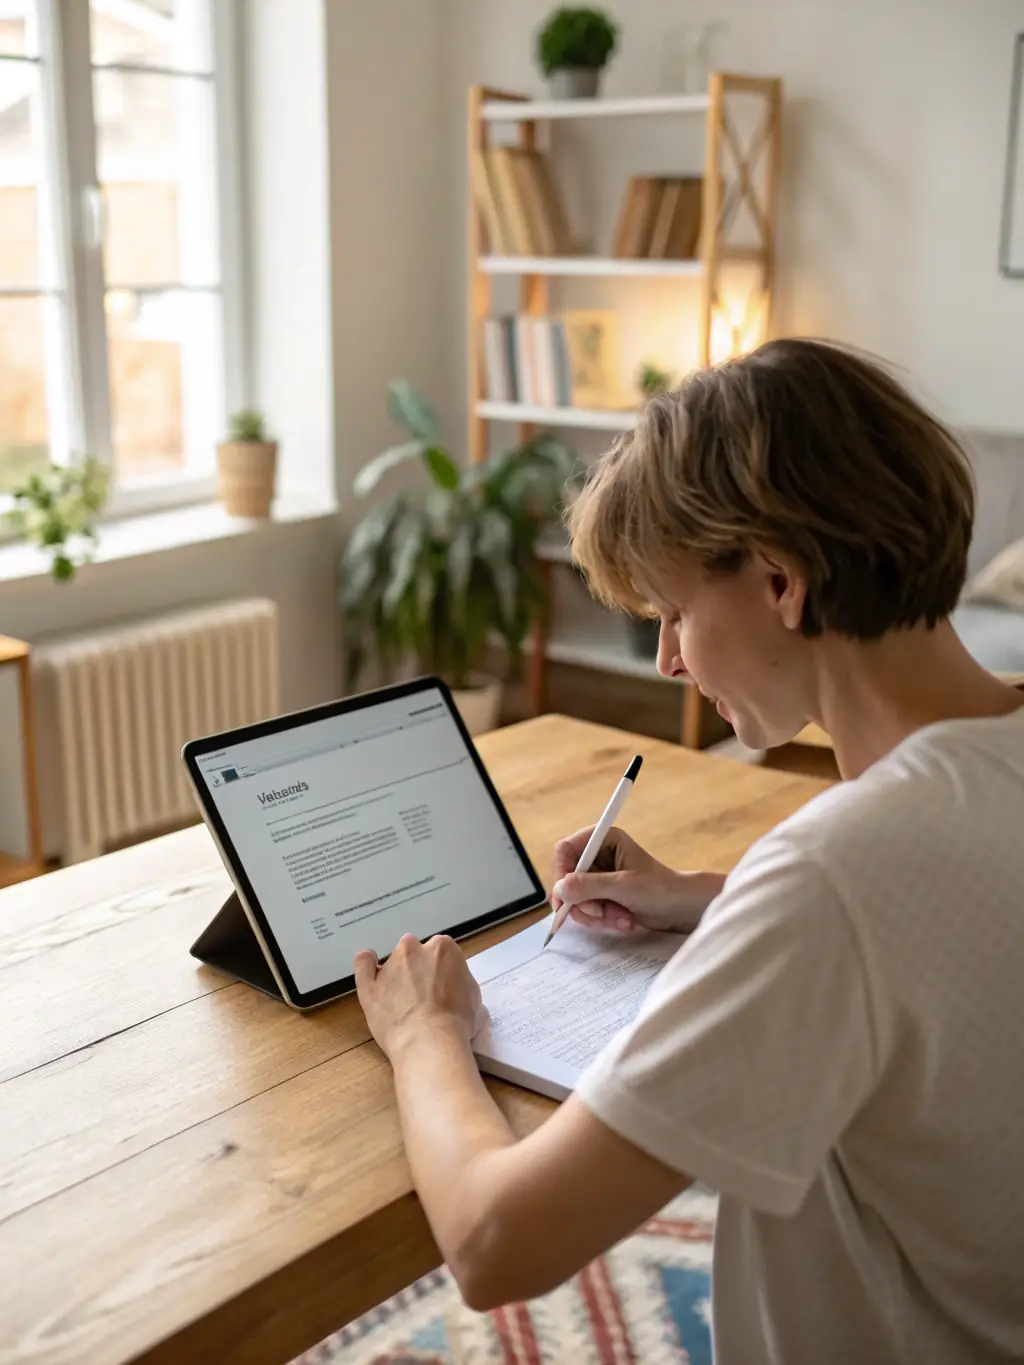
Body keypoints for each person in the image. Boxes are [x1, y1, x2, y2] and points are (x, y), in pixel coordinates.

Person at [354, 339, 1024, 1364]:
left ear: (779, 583)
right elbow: (952, 919)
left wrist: (423, 1036)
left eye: (673, 612)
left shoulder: (834, 875)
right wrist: (713, 895)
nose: (668, 657)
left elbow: (495, 1243)